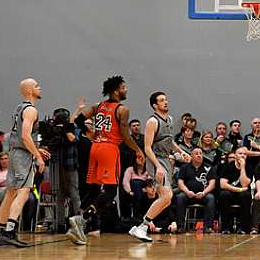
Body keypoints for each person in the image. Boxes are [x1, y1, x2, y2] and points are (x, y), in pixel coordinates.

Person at [67, 76, 144, 246]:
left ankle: (85, 224)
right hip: (109, 149)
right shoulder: (122, 109)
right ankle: (82, 219)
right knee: (110, 191)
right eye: (123, 87)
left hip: (95, 147)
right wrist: (137, 149)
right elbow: (124, 135)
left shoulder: (98, 106)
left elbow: (79, 121)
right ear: (116, 90)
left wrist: (92, 133)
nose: (126, 90)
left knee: (94, 189)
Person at [128, 91, 189, 242]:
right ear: (155, 105)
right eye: (162, 100)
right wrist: (158, 166)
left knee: (167, 199)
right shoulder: (152, 122)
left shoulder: (170, 119)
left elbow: (169, 141)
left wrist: (182, 152)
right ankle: (143, 226)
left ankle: (139, 227)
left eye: (166, 100)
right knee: (167, 195)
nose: (166, 102)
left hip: (165, 160)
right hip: (156, 160)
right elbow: (147, 148)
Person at [0, 78, 49, 247]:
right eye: (36, 86)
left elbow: (20, 136)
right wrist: (38, 156)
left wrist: (36, 148)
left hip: (14, 153)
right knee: (24, 192)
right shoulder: (31, 110)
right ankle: (9, 232)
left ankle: (2, 232)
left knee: (10, 192)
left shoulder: (19, 108)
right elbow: (25, 136)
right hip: (22, 156)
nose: (40, 88)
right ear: (29, 91)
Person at [175, 147, 215, 233]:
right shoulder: (184, 167)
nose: (199, 155)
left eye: (200, 153)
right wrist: (187, 191)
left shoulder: (208, 167)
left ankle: (207, 227)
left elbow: (212, 183)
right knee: (180, 197)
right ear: (191, 156)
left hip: (203, 194)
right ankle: (180, 226)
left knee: (211, 198)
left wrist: (204, 192)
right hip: (188, 194)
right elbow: (180, 182)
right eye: (196, 153)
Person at [217, 147, 251, 233]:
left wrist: (242, 167)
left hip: (242, 194)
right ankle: (226, 228)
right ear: (235, 155)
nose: (242, 155)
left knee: (246, 195)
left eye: (245, 154)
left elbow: (244, 184)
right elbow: (223, 184)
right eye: (240, 153)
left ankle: (243, 228)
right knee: (224, 194)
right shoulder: (227, 166)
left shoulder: (249, 166)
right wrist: (239, 189)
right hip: (230, 193)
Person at [121, 154, 149, 220]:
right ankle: (135, 215)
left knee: (138, 183)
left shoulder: (148, 170)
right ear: (135, 159)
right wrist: (129, 191)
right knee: (135, 183)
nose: (141, 159)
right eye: (139, 157)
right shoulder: (130, 169)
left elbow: (150, 182)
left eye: (142, 158)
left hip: (143, 190)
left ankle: (138, 214)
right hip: (132, 191)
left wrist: (146, 189)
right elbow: (125, 181)